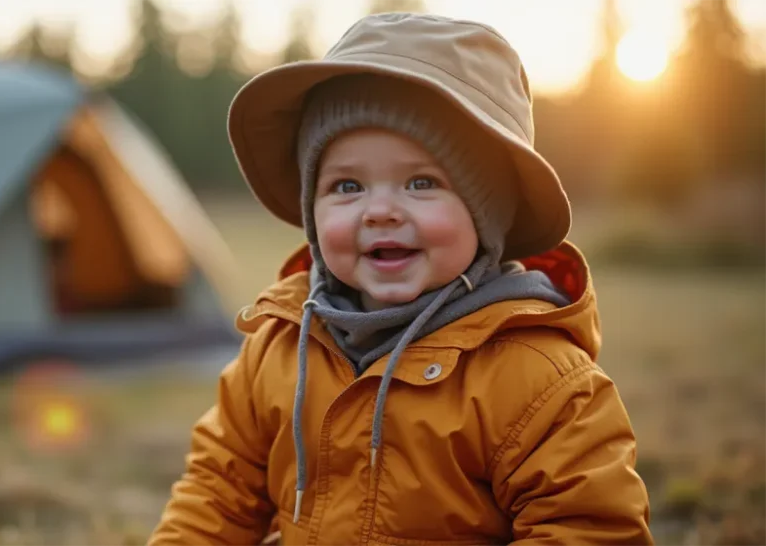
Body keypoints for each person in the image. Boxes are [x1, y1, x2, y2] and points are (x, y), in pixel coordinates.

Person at [148, 12, 653, 545]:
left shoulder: (539, 380)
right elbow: (216, 490)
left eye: (420, 181)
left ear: (488, 213)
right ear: (311, 210)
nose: (379, 211)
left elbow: (588, 528)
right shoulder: (278, 347)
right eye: (346, 186)